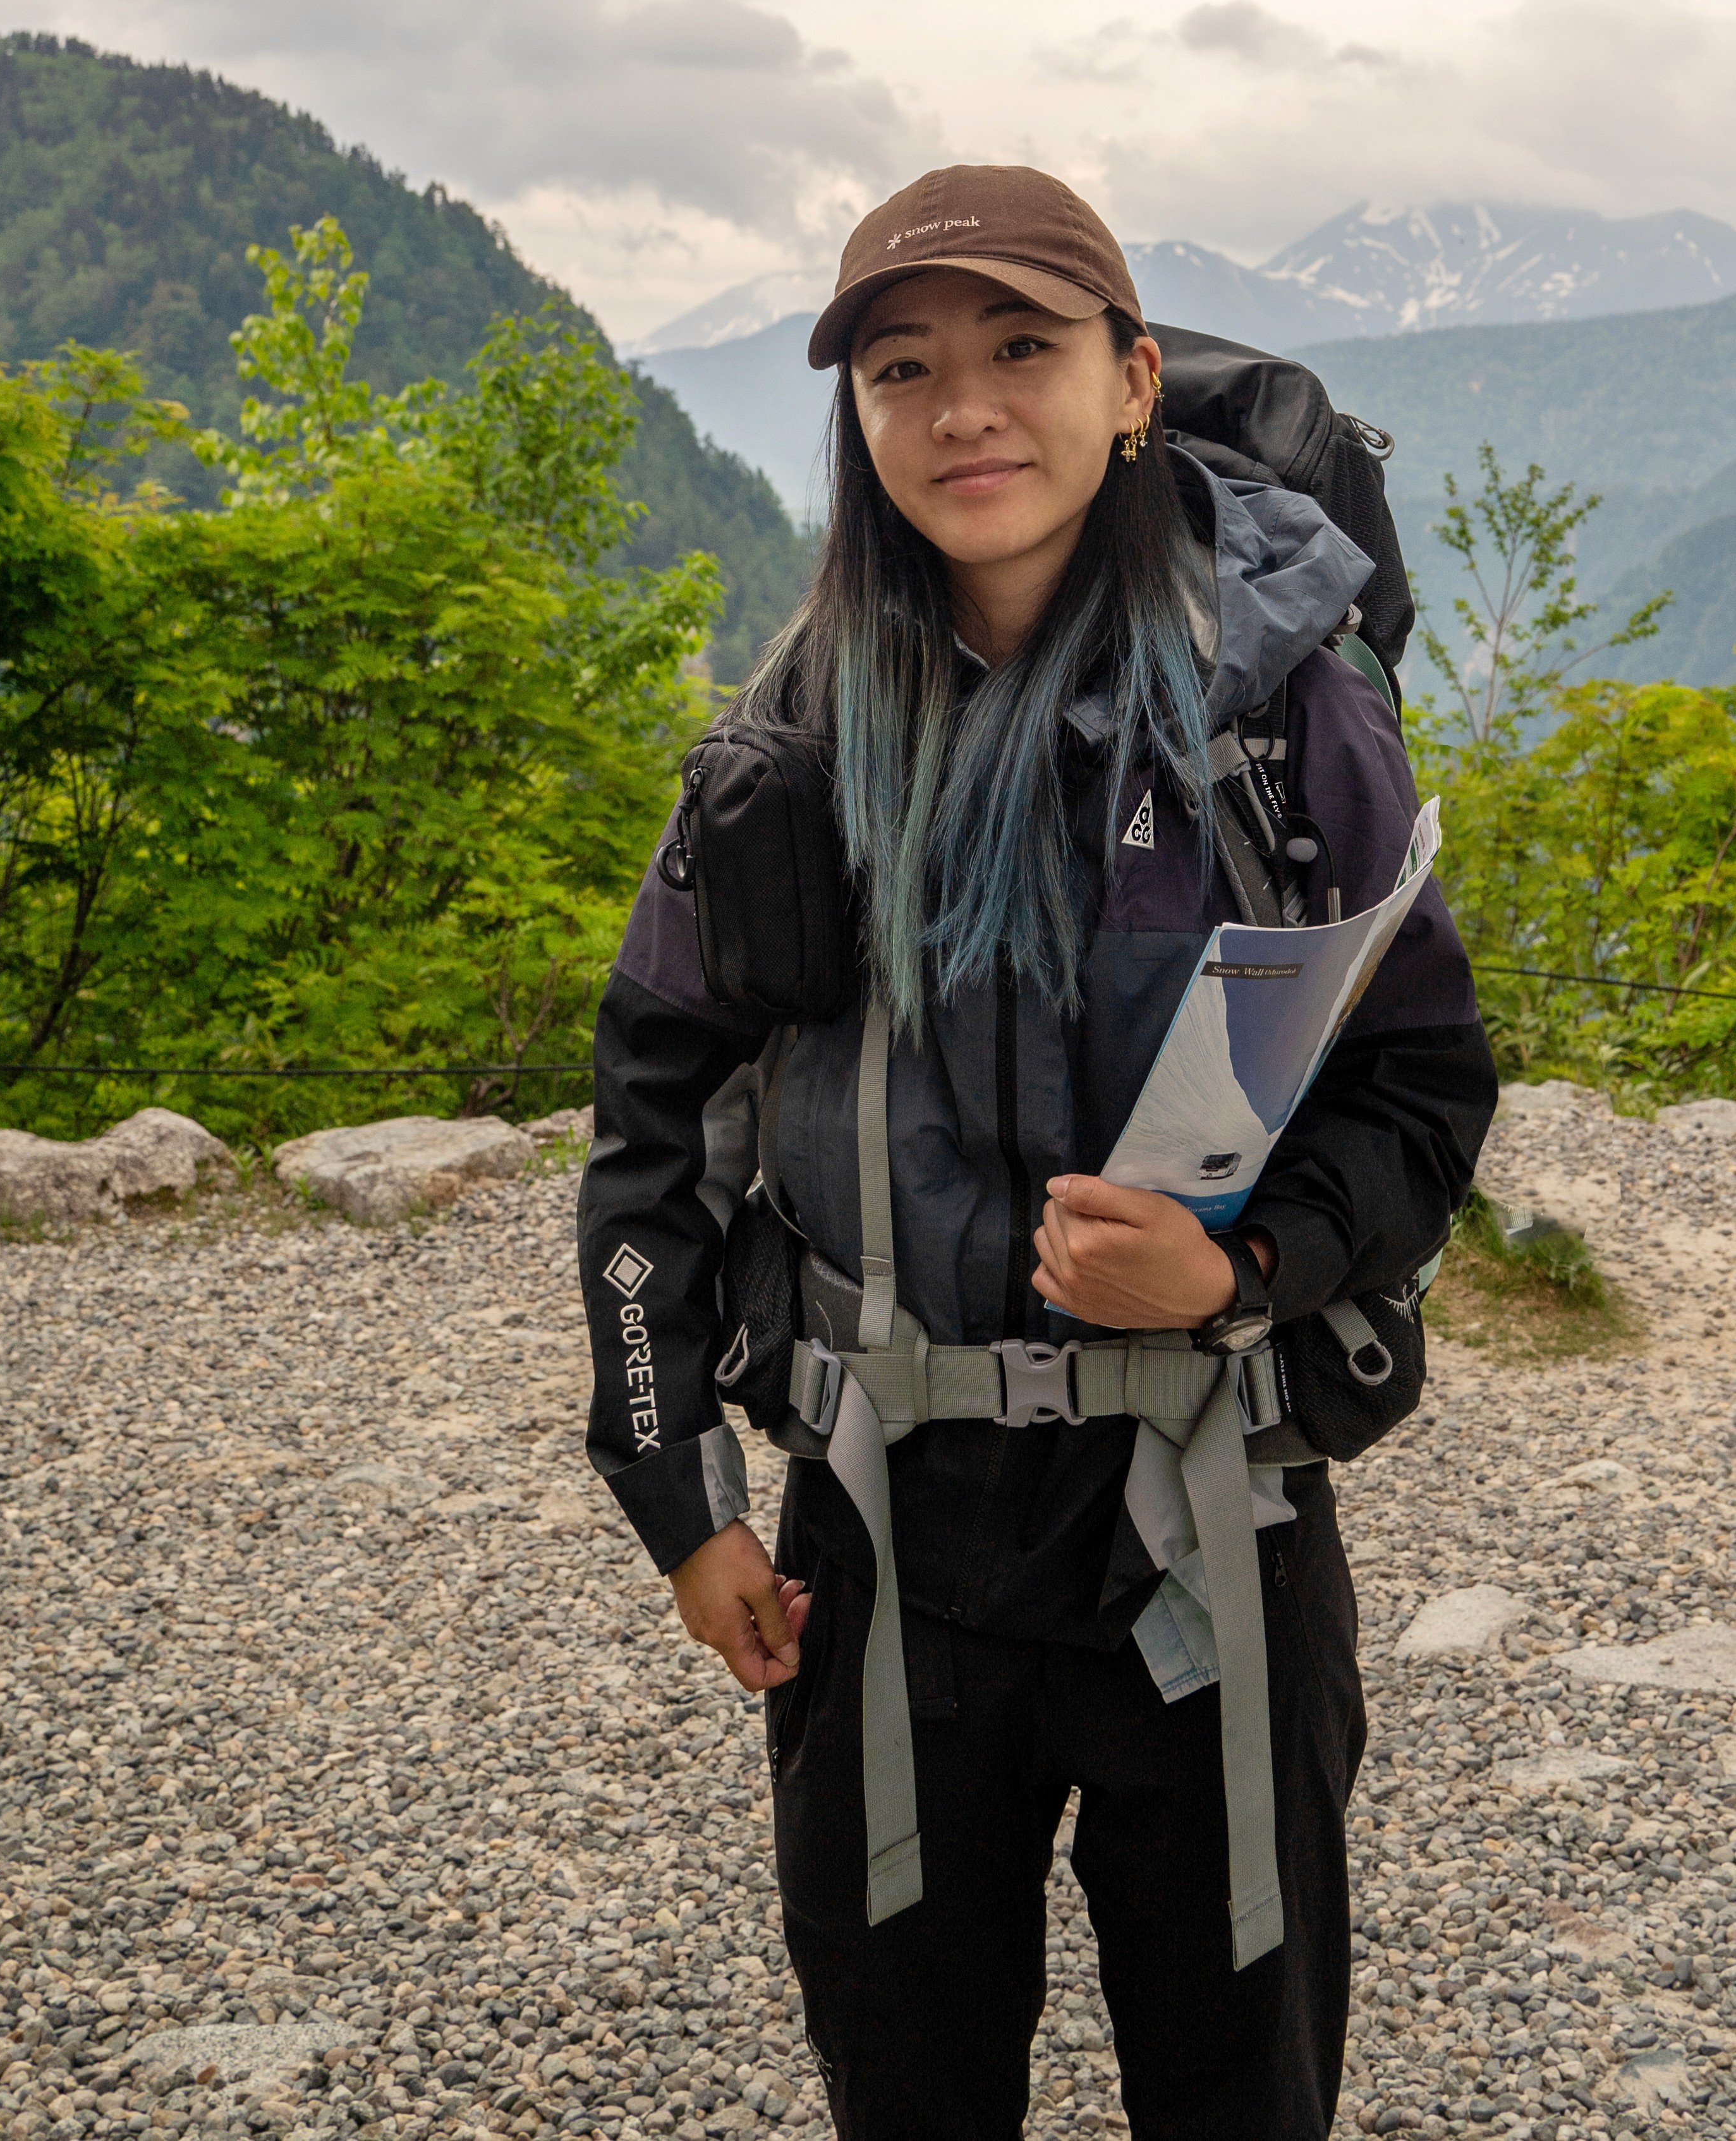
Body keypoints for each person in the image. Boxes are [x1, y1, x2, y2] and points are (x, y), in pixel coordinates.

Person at [578, 164, 1497, 2141]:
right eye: (901, 370)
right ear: (857, 424)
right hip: (879, 1543)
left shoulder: (1280, 716)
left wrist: (1241, 1275)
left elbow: (1421, 1089)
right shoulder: (797, 743)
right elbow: (651, 1128)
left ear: (1133, 379)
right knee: (909, 2092)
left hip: (1212, 1523)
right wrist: (679, 1495)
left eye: (1020, 349)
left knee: (1232, 2097)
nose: (962, 407)